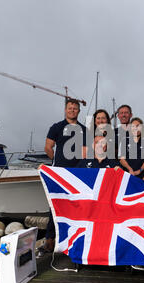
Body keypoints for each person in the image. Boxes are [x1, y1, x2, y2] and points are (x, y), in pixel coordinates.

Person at [43, 99, 87, 252]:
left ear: (78, 111)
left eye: (75, 108)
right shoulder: (56, 127)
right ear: (65, 110)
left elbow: (86, 151)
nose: (72, 110)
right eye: (70, 108)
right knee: (55, 204)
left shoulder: (84, 129)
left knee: (77, 205)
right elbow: (48, 147)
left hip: (78, 173)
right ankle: (50, 238)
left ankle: (75, 239)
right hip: (60, 172)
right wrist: (56, 162)